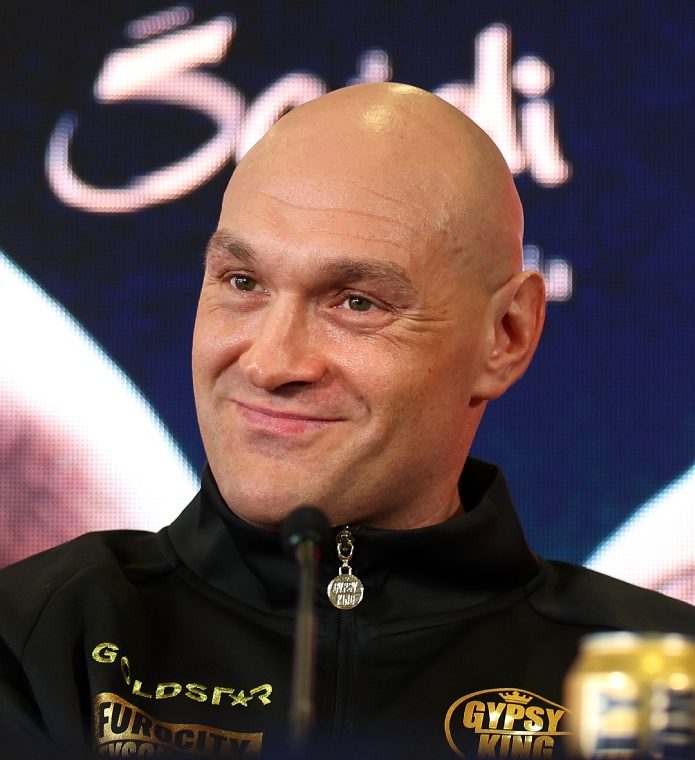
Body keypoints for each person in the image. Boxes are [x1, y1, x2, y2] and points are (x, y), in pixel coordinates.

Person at [1, 82, 694, 760]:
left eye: (356, 302)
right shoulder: (34, 639)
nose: (270, 362)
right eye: (243, 283)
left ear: (505, 336)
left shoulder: (663, 674)